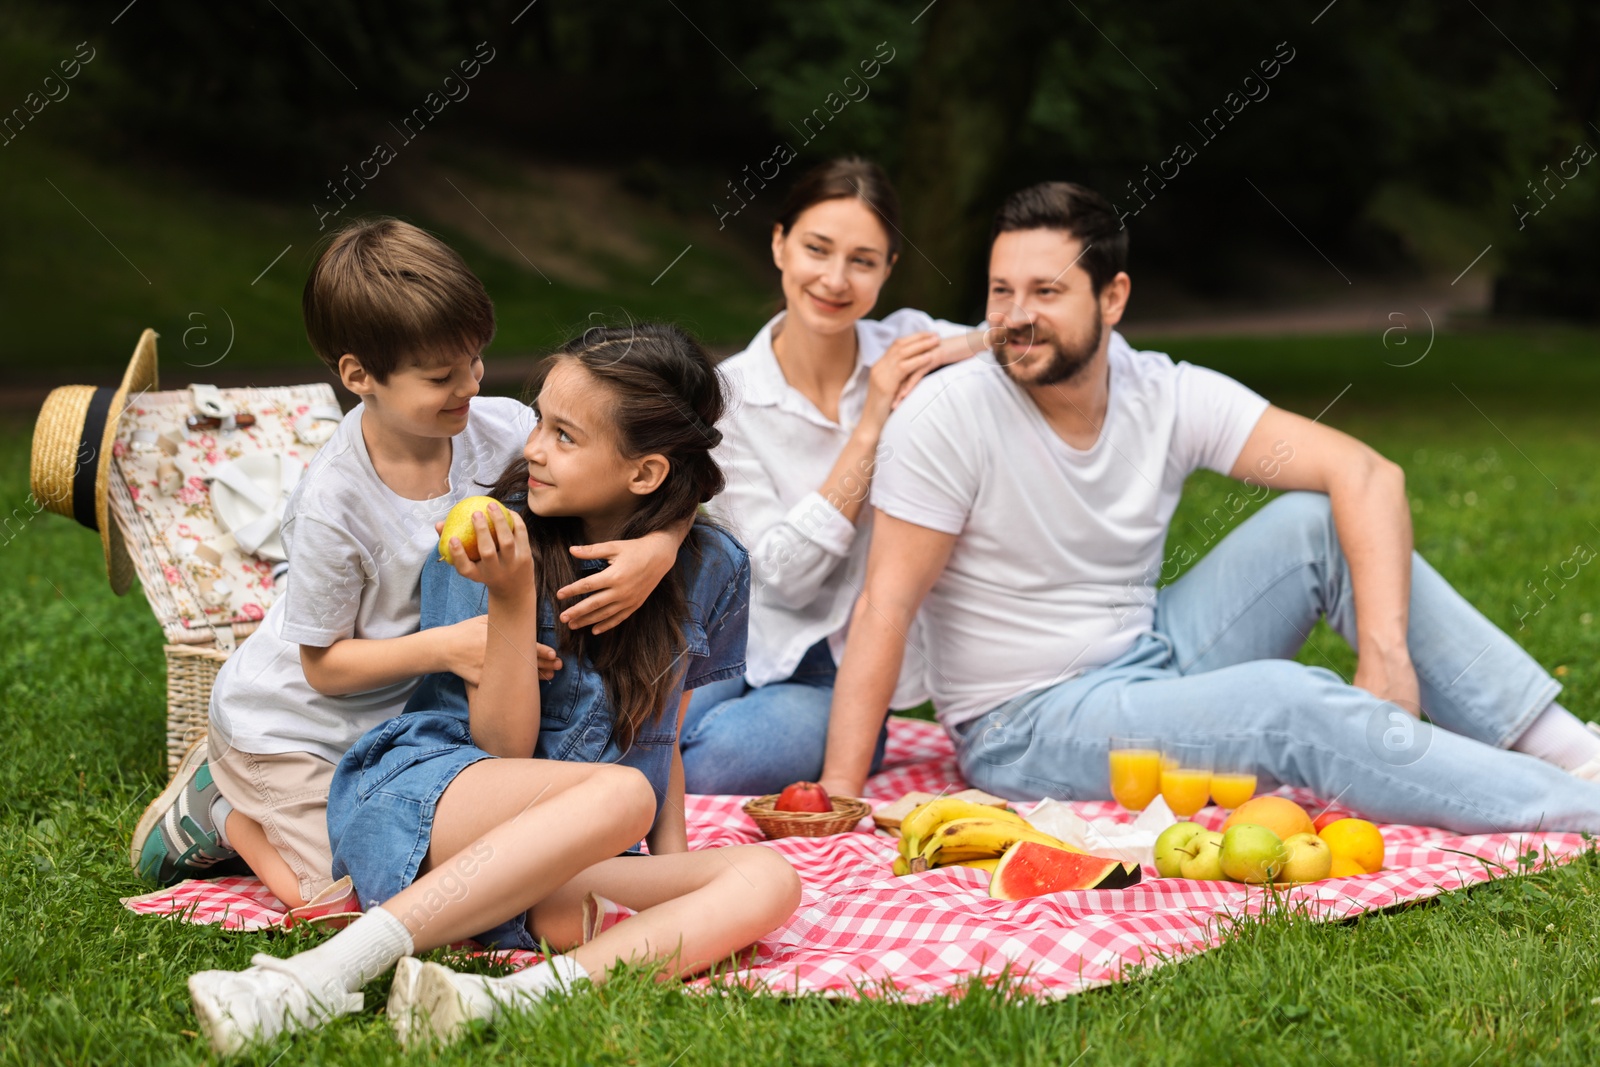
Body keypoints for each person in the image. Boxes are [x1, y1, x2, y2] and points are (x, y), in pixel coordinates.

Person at [815, 181, 1600, 832]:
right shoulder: (950, 415)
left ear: (1113, 296)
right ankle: (1578, 808)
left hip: (1152, 653)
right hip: (1027, 724)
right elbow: (886, 602)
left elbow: (1368, 473)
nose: (1017, 315)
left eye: (1046, 291)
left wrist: (1385, 653)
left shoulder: (1161, 392)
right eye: (1001, 291)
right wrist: (839, 801)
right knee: (1284, 705)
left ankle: (1569, 749)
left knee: (1319, 524)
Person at [186, 323, 801, 1053]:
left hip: (559, 851)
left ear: (646, 474)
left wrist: (668, 866)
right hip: (429, 795)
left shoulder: (713, 568)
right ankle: (313, 978)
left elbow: (661, 737)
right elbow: (498, 747)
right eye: (539, 418)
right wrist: (513, 594)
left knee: (768, 879)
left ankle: (506, 999)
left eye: (564, 435)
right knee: (617, 794)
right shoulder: (488, 537)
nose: (531, 445)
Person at [131, 219, 688, 909]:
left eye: (476, 361)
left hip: (402, 733)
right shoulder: (335, 501)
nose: (469, 385)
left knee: (447, 874)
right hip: (291, 731)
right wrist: (451, 647)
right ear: (359, 375)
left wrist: (660, 544)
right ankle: (221, 809)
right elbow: (322, 665)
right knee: (348, 902)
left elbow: (675, 474)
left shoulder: (501, 430)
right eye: (440, 376)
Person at [681, 157, 988, 794]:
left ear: (889, 271)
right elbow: (783, 577)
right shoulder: (729, 397)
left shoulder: (904, 347)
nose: (835, 279)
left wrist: (949, 350)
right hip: (747, 638)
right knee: (638, 739)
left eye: (863, 261)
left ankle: (851, 738)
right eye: (817, 249)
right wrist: (872, 423)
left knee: (714, 761)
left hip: (844, 668)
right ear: (778, 243)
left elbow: (1025, 332)